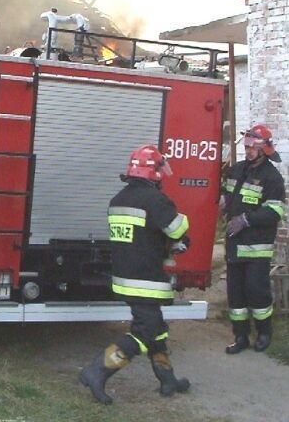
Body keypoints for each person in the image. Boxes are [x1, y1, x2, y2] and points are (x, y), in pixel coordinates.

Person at [80, 145, 191, 405]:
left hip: (125, 278)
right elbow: (177, 229)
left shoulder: (118, 200)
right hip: (146, 281)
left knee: (157, 331)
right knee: (143, 334)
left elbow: (139, 237)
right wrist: (180, 236)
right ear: (154, 172)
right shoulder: (154, 200)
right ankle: (97, 371)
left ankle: (167, 378)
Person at [222, 124, 285, 354]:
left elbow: (275, 212)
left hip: (256, 248)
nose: (247, 151)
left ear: (264, 149)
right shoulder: (237, 170)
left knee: (257, 292)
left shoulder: (272, 178)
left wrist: (246, 220)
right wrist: (222, 203)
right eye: (246, 147)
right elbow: (227, 196)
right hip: (234, 245)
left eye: (252, 148)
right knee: (236, 295)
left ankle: (264, 332)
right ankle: (240, 337)